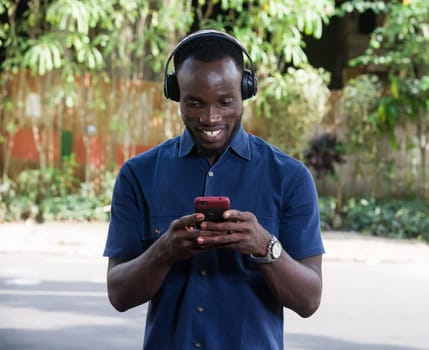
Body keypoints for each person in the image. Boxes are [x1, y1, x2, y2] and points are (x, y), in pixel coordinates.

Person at [103, 29, 324, 350]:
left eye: (225, 102)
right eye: (195, 103)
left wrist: (265, 247)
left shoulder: (290, 178)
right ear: (175, 93)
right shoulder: (138, 175)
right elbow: (119, 295)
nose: (210, 117)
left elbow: (309, 300)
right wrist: (164, 251)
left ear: (246, 90)